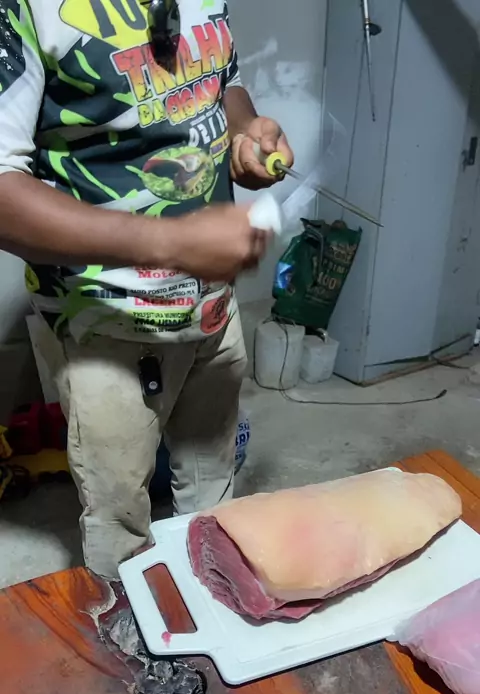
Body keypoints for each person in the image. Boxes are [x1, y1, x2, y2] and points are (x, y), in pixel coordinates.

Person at [0, 0, 293, 579]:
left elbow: (221, 81)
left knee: (213, 490)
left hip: (212, 306)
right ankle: (130, 628)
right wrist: (170, 242)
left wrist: (244, 132)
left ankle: (212, 602)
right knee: (121, 525)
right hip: (106, 322)